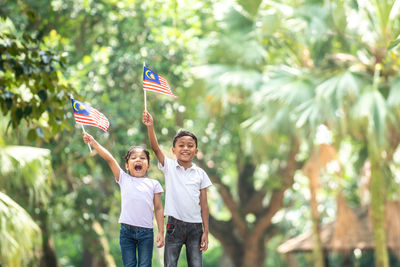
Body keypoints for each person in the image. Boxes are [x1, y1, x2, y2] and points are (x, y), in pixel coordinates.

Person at [82, 132, 164, 267]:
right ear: (127, 165)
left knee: (145, 265)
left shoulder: (153, 184)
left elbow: (159, 208)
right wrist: (94, 143)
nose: (138, 160)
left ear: (148, 165)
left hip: (146, 233)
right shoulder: (123, 178)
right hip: (126, 232)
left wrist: (161, 231)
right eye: (133, 158)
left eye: (143, 158)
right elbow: (110, 159)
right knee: (129, 265)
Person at [142, 110, 212, 267]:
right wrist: (150, 126)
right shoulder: (169, 167)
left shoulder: (200, 174)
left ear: (196, 151)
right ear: (173, 150)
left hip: (196, 227)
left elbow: (204, 205)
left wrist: (205, 231)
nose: (185, 148)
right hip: (174, 226)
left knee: (196, 264)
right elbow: (155, 148)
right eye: (181, 145)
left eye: (190, 146)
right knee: (170, 264)